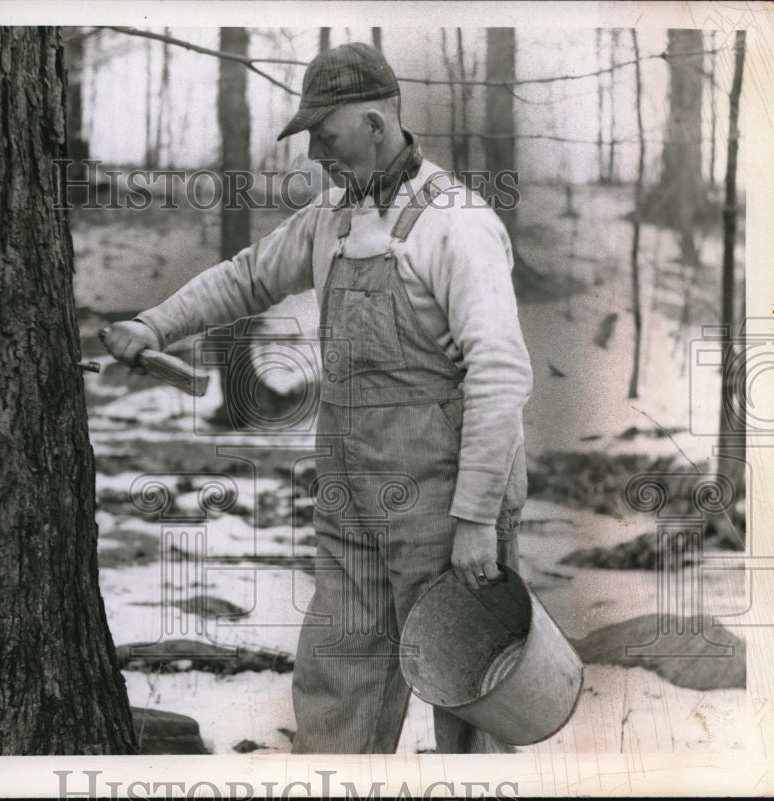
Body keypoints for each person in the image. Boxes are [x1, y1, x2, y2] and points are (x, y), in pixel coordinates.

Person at [101, 41, 532, 754]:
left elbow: (499, 373)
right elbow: (246, 278)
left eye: (326, 136)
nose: (319, 156)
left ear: (375, 121)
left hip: (447, 503)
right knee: (338, 683)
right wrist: (155, 323)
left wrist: (476, 517)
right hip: (352, 501)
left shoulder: (457, 222)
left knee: (471, 697)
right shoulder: (331, 218)